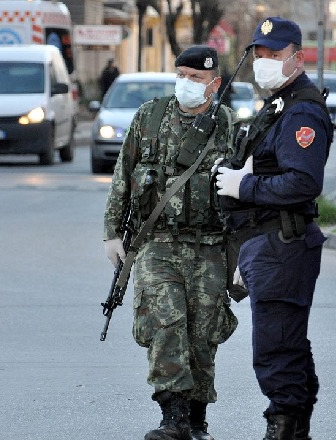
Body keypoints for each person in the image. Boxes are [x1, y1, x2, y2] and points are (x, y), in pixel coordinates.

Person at [102, 45, 237, 440]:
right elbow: (122, 176)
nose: (186, 84)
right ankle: (172, 417)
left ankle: (196, 419)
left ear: (213, 84)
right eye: (181, 75)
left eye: (196, 79)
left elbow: (243, 187)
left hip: (210, 245)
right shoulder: (149, 116)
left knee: (203, 332)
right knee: (165, 321)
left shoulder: (227, 124)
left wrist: (245, 248)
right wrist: (111, 232)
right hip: (156, 243)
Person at [215, 17, 333, 440]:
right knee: (287, 344)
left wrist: (242, 185)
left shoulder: (301, 110)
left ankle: (284, 428)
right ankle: (295, 426)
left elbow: (303, 182)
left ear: (297, 58)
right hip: (264, 243)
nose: (264, 61)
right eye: (259, 53)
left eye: (274, 54)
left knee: (276, 348)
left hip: (281, 244)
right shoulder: (279, 104)